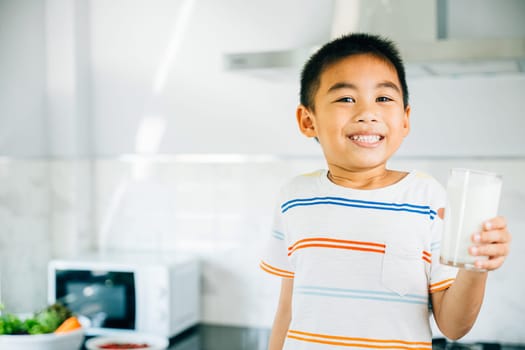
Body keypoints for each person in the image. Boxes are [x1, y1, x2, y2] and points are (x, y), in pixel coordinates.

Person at [260, 33, 511, 350]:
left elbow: (453, 325)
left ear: (405, 120)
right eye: (346, 99)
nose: (368, 113)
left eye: (384, 98)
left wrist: (477, 267)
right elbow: (287, 309)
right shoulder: (293, 198)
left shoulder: (427, 198)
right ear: (308, 120)